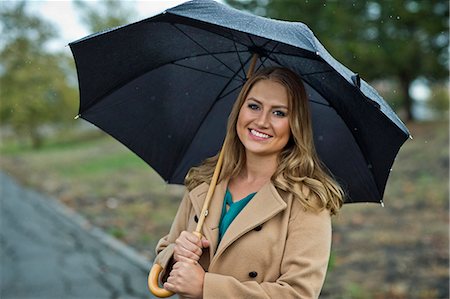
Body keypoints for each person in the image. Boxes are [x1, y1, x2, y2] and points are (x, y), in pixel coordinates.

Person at [153, 66, 344, 299]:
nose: (262, 121)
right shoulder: (205, 181)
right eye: (254, 106)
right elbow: (164, 252)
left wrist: (207, 287)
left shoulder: (307, 201)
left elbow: (298, 294)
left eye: (279, 113)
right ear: (239, 111)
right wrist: (176, 254)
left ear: (295, 124)